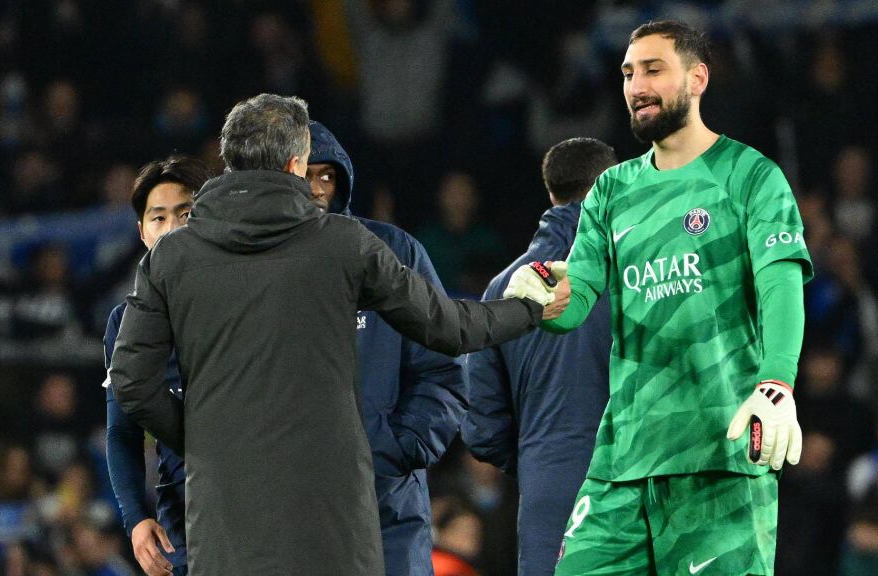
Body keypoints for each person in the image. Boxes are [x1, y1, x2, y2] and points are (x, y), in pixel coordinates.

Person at [108, 93, 563, 576]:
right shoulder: (345, 245)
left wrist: (203, 439)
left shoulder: (172, 257)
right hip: (334, 521)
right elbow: (448, 328)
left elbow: (132, 381)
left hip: (223, 519)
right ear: (294, 161)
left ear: (230, 162)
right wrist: (528, 307)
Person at [542, 21, 813, 575]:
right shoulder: (611, 191)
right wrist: (537, 299)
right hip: (623, 458)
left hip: (721, 451)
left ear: (698, 78)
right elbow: (575, 302)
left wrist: (777, 384)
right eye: (627, 72)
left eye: (652, 69)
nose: (636, 85)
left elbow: (779, 285)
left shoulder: (751, 176)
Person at [307, 120, 467, 576]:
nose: (318, 188)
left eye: (328, 176)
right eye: (306, 176)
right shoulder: (253, 267)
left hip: (388, 509)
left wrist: (397, 447)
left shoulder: (394, 253)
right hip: (292, 510)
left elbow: (444, 366)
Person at [463, 137, 618, 576]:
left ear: (552, 194)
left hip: (546, 492)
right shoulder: (639, 275)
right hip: (628, 486)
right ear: (614, 187)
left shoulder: (502, 289)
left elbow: (480, 425)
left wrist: (539, 456)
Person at [104, 155, 211, 576]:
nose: (171, 230)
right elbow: (121, 430)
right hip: (181, 516)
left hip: (258, 503)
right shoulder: (123, 322)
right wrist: (135, 518)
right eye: (158, 217)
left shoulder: (247, 299)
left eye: (186, 213)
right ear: (142, 232)